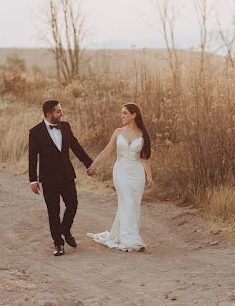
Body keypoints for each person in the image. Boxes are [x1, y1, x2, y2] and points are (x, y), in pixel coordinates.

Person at [27, 100, 93, 257]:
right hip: (48, 179)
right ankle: (58, 243)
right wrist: (33, 180)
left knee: (73, 204)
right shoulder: (35, 132)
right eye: (58, 111)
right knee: (53, 211)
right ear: (49, 113)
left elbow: (76, 146)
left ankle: (65, 229)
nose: (61, 114)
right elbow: (32, 157)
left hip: (66, 175)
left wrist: (89, 164)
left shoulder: (66, 126)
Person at [86, 102, 153, 252]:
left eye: (125, 113)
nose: (121, 116)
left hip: (136, 174)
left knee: (132, 205)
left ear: (134, 115)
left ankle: (124, 236)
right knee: (127, 201)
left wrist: (149, 177)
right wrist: (93, 164)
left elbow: (145, 158)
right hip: (121, 172)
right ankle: (132, 240)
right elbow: (107, 151)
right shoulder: (118, 132)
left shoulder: (143, 135)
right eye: (121, 113)